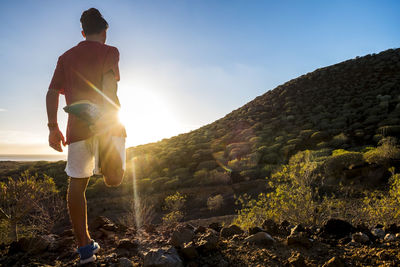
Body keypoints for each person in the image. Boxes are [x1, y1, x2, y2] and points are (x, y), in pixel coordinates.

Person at [46, 8, 127, 264]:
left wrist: (52, 127)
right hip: (108, 124)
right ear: (104, 31)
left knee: (77, 184)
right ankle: (101, 132)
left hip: (77, 128)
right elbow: (109, 84)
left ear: (82, 32)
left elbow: (51, 92)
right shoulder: (110, 51)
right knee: (114, 179)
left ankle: (85, 250)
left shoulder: (65, 57)